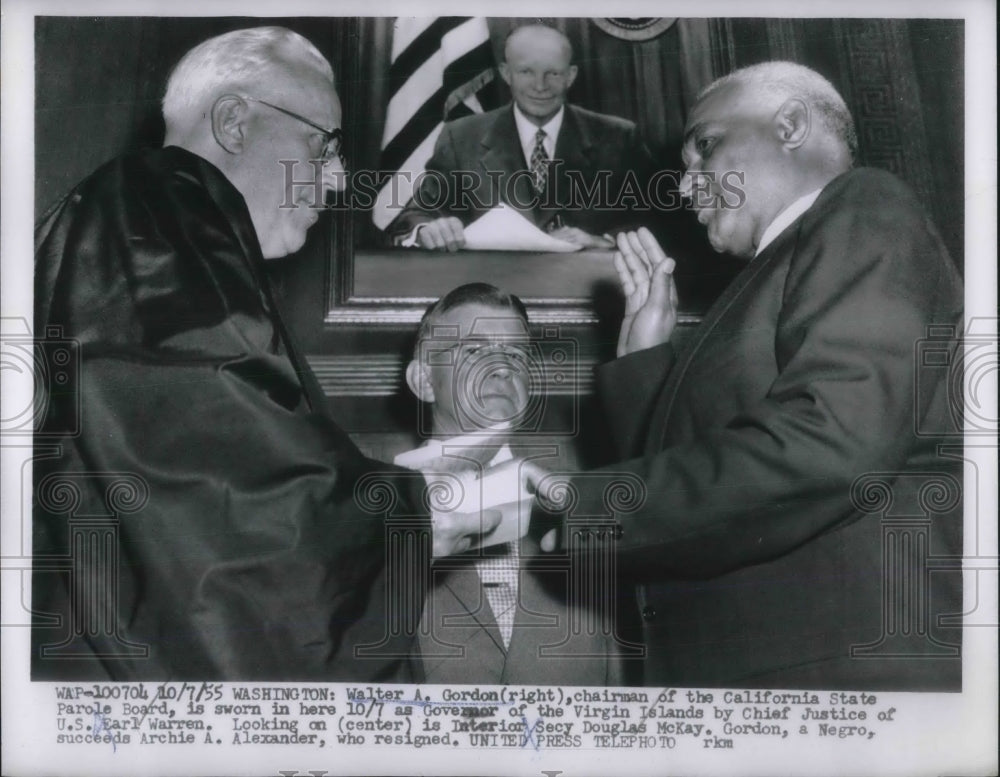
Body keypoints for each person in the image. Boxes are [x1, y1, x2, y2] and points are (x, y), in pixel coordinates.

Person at [32, 26, 494, 681]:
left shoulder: (147, 218)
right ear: (233, 121)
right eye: (324, 145)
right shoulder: (159, 204)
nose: (336, 182)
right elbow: (218, 482)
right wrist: (415, 510)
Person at [530, 62, 964, 690]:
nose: (684, 186)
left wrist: (593, 506)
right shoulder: (761, 283)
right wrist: (644, 359)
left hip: (841, 679)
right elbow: (707, 500)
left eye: (705, 145)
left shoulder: (864, 203)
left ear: (790, 124)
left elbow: (835, 443)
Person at [396, 283, 624, 684]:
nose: (502, 366)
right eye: (474, 350)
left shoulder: (585, 512)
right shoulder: (366, 513)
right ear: (424, 381)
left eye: (516, 353)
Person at [387, 24, 656, 251]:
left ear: (570, 76)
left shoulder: (619, 137)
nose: (540, 86)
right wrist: (428, 230)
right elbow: (414, 216)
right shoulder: (461, 136)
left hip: (582, 291)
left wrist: (602, 241)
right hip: (494, 294)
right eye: (526, 72)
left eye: (553, 73)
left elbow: (662, 218)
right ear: (506, 73)